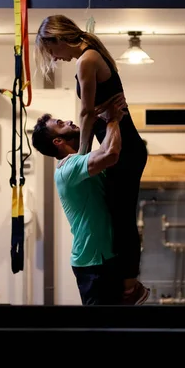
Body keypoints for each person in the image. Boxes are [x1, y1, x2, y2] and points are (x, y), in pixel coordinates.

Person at [34, 15, 149, 305]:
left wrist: (82, 154)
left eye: (51, 51)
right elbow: (91, 114)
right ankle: (129, 283)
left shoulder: (86, 59)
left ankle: (130, 287)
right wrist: (87, 149)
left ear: (58, 39)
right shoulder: (90, 56)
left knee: (121, 215)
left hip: (126, 149)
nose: (54, 58)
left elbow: (86, 113)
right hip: (124, 146)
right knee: (116, 211)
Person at [32, 95, 130, 305]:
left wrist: (95, 117)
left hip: (103, 259)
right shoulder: (68, 168)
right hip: (92, 264)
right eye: (60, 124)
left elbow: (99, 150)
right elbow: (111, 153)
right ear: (58, 141)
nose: (67, 121)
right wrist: (112, 119)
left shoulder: (78, 162)